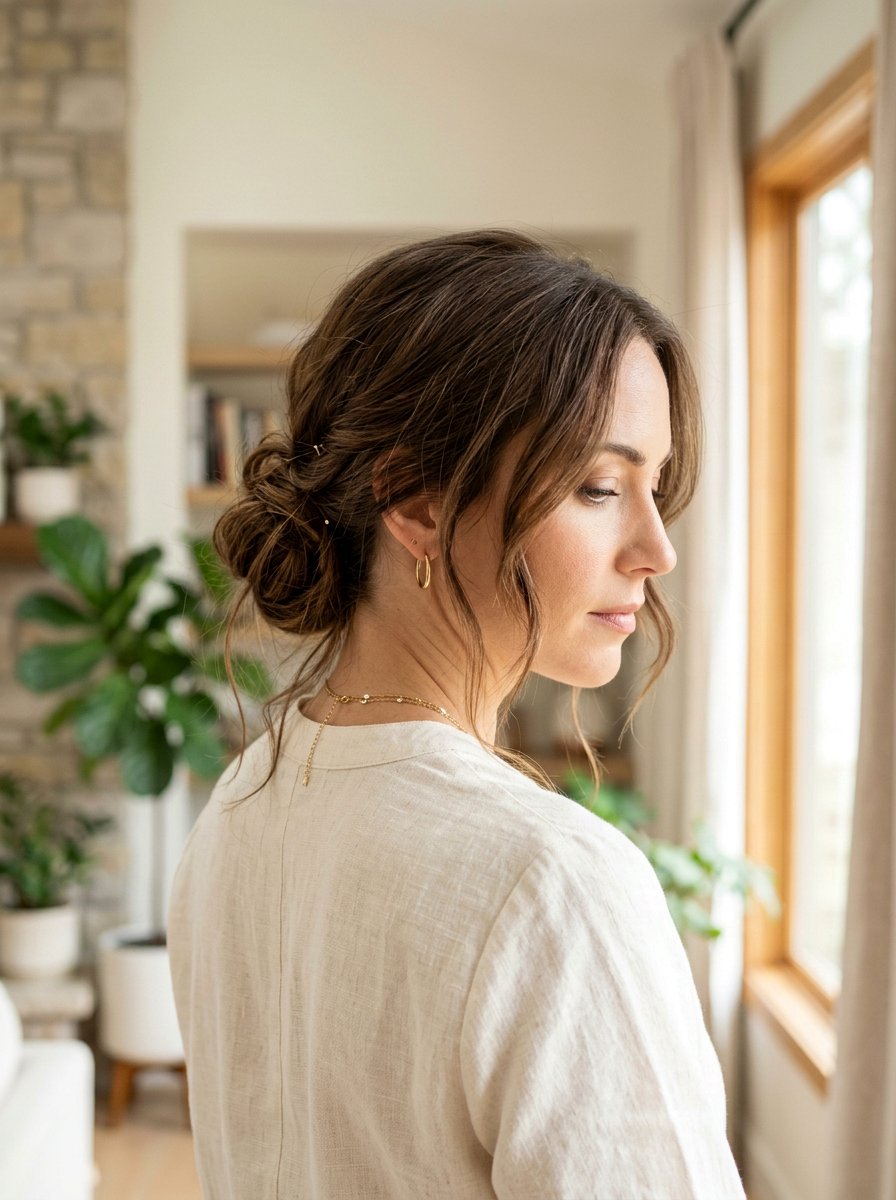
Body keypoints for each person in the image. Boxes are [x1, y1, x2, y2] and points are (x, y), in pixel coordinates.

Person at [168, 229, 747, 1198]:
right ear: (419, 504)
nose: (656, 549)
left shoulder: (241, 801)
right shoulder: (550, 881)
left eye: (654, 487)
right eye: (599, 488)